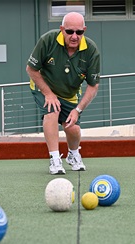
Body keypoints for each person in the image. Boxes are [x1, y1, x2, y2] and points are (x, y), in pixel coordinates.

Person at [26, 12, 100, 175]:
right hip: (44, 87)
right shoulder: (47, 40)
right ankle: (55, 159)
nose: (74, 36)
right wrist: (48, 94)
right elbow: (31, 69)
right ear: (61, 29)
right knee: (53, 111)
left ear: (84, 30)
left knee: (72, 128)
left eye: (79, 32)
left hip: (69, 93)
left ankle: (73, 155)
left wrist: (77, 110)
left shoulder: (91, 50)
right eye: (70, 31)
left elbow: (93, 86)